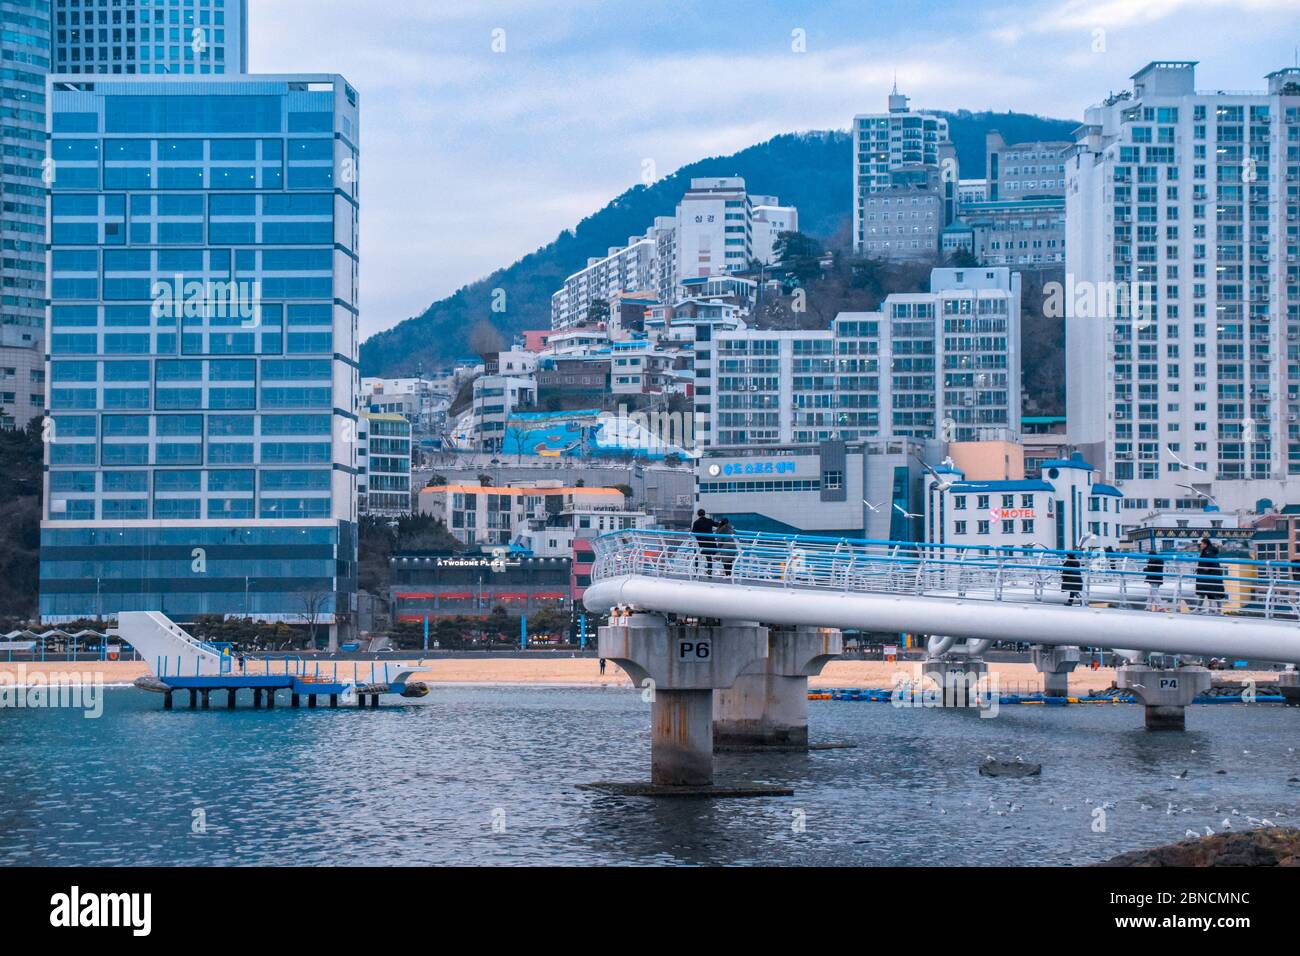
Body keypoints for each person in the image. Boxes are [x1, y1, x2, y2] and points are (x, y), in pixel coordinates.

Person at [1195, 536, 1226, 612]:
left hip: (1208, 577)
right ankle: (1216, 610)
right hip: (1212, 576)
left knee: (1207, 592)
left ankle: (1200, 609)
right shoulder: (1210, 551)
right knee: (1213, 593)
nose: (1200, 545)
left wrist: (1205, 568)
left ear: (1205, 544)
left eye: (1201, 544)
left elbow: (1208, 563)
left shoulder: (1207, 552)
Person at [691, 509, 718, 576]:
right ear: (704, 514)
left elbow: (693, 532)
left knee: (696, 556)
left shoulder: (696, 523)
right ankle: (709, 572)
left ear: (698, 514)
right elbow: (717, 524)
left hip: (700, 543)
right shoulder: (709, 521)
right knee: (708, 557)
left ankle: (696, 571)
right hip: (710, 543)